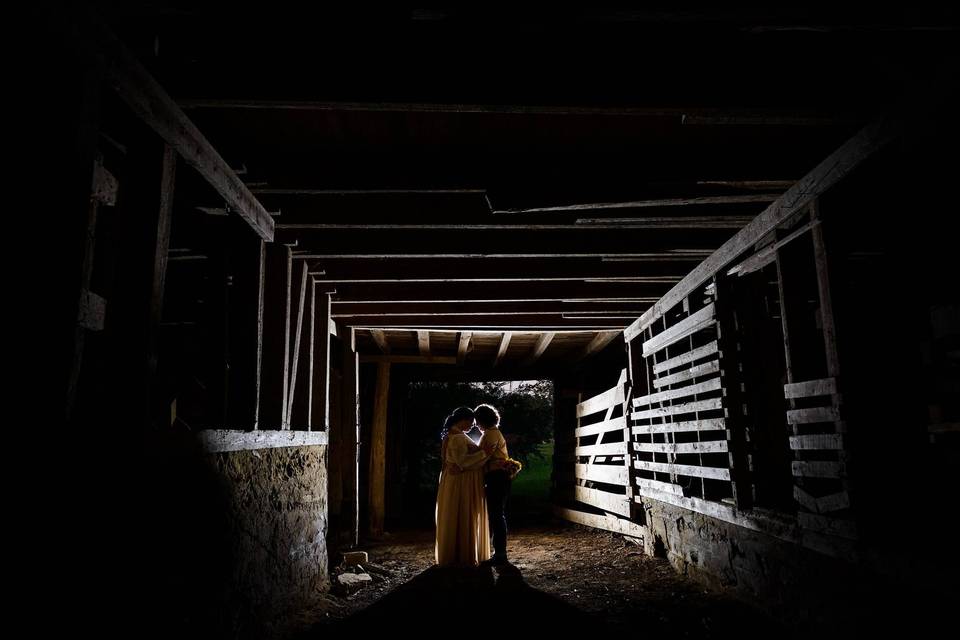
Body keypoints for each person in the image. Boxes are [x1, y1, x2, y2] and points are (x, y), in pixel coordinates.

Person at [434, 406, 495, 567]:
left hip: (456, 479)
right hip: (461, 482)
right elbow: (463, 461)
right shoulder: (458, 438)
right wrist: (484, 453)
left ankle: (456, 550)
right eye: (471, 422)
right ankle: (462, 553)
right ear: (463, 420)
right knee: (462, 511)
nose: (472, 426)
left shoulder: (454, 435)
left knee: (456, 512)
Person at [475, 403, 512, 565]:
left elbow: (482, 456)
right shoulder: (494, 433)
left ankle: (500, 554)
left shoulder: (491, 434)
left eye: (477, 420)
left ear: (482, 420)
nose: (475, 424)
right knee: (496, 514)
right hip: (498, 477)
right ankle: (498, 552)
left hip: (497, 477)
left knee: (496, 514)